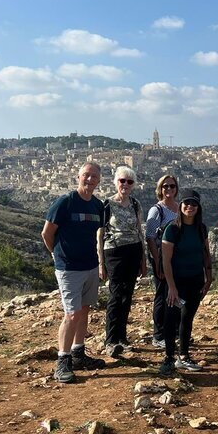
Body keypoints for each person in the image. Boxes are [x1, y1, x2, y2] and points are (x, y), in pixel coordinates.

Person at [41, 162, 107, 383]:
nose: (90, 179)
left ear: (99, 181)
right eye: (86, 175)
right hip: (69, 268)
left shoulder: (97, 205)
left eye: (94, 177)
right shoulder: (65, 202)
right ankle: (63, 360)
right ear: (78, 177)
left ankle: (78, 353)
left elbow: (99, 235)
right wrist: (58, 255)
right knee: (71, 314)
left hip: (90, 265)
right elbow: (47, 233)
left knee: (84, 310)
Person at [159, 189, 213, 376]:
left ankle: (183, 355)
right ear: (180, 206)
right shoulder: (172, 229)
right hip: (176, 281)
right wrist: (171, 287)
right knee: (171, 318)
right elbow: (166, 261)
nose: (190, 207)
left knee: (187, 318)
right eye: (187, 203)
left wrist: (209, 277)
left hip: (195, 279)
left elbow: (205, 253)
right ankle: (168, 358)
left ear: (198, 208)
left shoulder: (201, 228)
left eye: (194, 204)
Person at [97, 166, 148, 358]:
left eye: (129, 181)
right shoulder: (107, 204)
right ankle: (111, 339)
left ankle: (122, 337)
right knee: (116, 294)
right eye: (122, 181)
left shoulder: (135, 204)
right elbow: (100, 234)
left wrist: (143, 259)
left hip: (133, 250)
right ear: (116, 182)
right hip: (114, 252)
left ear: (133, 185)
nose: (125, 184)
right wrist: (101, 263)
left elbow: (139, 231)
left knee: (128, 294)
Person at [145, 175, 180, 349]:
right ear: (160, 189)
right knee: (162, 294)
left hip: (178, 258)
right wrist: (158, 261)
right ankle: (159, 334)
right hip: (161, 257)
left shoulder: (180, 208)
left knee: (176, 293)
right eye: (165, 186)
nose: (169, 189)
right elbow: (150, 237)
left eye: (172, 186)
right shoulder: (156, 210)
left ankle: (175, 331)